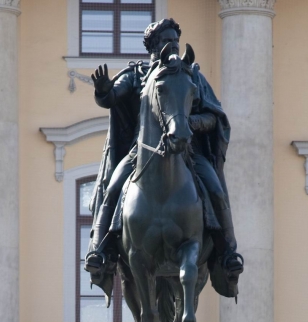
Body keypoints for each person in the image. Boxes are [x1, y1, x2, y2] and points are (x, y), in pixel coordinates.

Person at [85, 18, 243, 300]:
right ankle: (99, 251)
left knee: (217, 192)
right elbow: (111, 97)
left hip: (187, 153)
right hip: (141, 153)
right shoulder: (137, 75)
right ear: (153, 46)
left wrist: (188, 123)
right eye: (165, 41)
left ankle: (228, 253)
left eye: (175, 41)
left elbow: (213, 117)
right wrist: (102, 90)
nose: (172, 46)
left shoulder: (191, 75)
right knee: (111, 189)